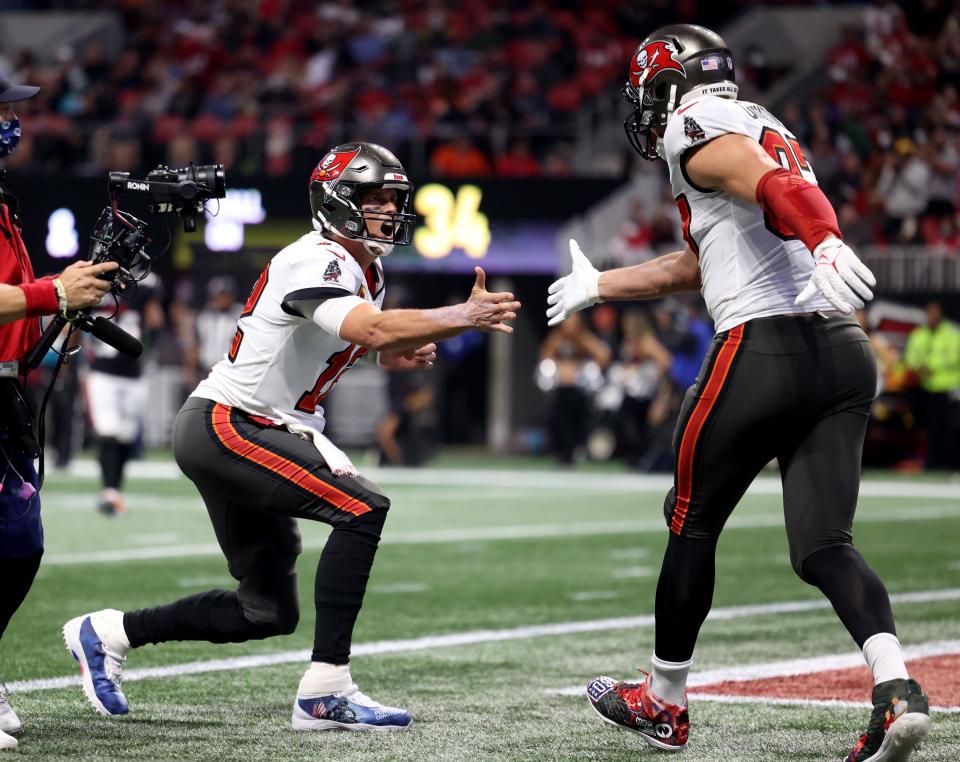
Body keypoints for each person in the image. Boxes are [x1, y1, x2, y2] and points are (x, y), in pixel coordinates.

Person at [546, 25, 931, 761]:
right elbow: (706, 259)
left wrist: (824, 239)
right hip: (842, 352)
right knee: (824, 545)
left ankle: (663, 703)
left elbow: (773, 189)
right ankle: (896, 689)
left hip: (763, 349)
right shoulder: (764, 121)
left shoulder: (694, 124)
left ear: (669, 84)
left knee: (689, 519)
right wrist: (602, 284)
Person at [63, 142, 520, 731]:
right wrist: (459, 315)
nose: (387, 211)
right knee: (363, 507)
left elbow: (316, 344)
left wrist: (383, 361)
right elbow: (372, 328)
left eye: (392, 200)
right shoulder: (318, 259)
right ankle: (327, 688)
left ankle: (108, 633)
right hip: (230, 424)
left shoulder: (363, 270)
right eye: (373, 199)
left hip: (247, 424)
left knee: (266, 610)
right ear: (336, 204)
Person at [0, 75, 117, 752]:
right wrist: (50, 291)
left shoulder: (5, 203)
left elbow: (17, 307)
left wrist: (64, 314)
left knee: (20, 545)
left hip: (6, 391)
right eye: (3, 108)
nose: (14, 119)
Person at [84, 271, 164, 516]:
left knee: (126, 437)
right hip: (102, 373)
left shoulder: (144, 286)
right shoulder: (90, 283)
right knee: (108, 432)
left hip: (133, 374)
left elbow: (155, 321)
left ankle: (114, 490)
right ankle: (109, 491)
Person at [903, 301, 960, 470]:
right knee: (931, 430)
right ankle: (933, 465)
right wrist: (919, 367)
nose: (932, 316)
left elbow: (955, 358)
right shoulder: (919, 335)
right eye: (930, 313)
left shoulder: (952, 334)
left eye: (935, 312)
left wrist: (931, 366)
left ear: (941, 314)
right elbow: (910, 359)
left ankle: (950, 465)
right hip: (927, 390)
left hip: (948, 391)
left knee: (950, 430)